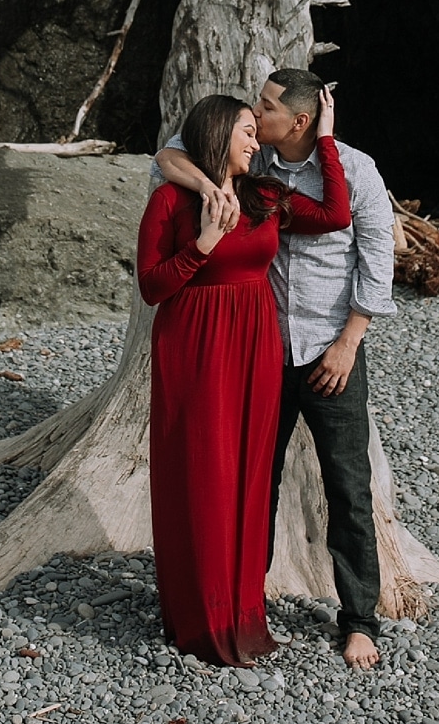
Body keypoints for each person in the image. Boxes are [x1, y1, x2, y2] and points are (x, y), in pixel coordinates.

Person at [154, 68, 397, 670]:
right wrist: (210, 190)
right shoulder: (248, 159)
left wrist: (349, 343)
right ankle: (240, 603)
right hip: (258, 353)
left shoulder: (354, 170)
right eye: (252, 108)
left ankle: (359, 620)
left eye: (263, 107)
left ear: (301, 121)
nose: (254, 113)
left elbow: (374, 259)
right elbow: (167, 155)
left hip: (327, 351)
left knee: (347, 487)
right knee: (248, 481)